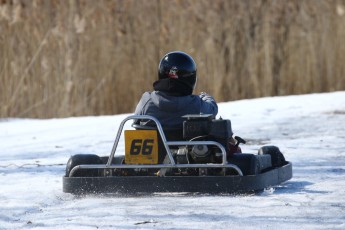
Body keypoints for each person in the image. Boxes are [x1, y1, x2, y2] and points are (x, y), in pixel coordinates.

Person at [134, 51, 240, 156]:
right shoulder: (197, 104)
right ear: (190, 78)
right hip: (187, 161)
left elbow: (136, 121)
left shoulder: (146, 100)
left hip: (151, 161)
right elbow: (213, 109)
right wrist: (205, 96)